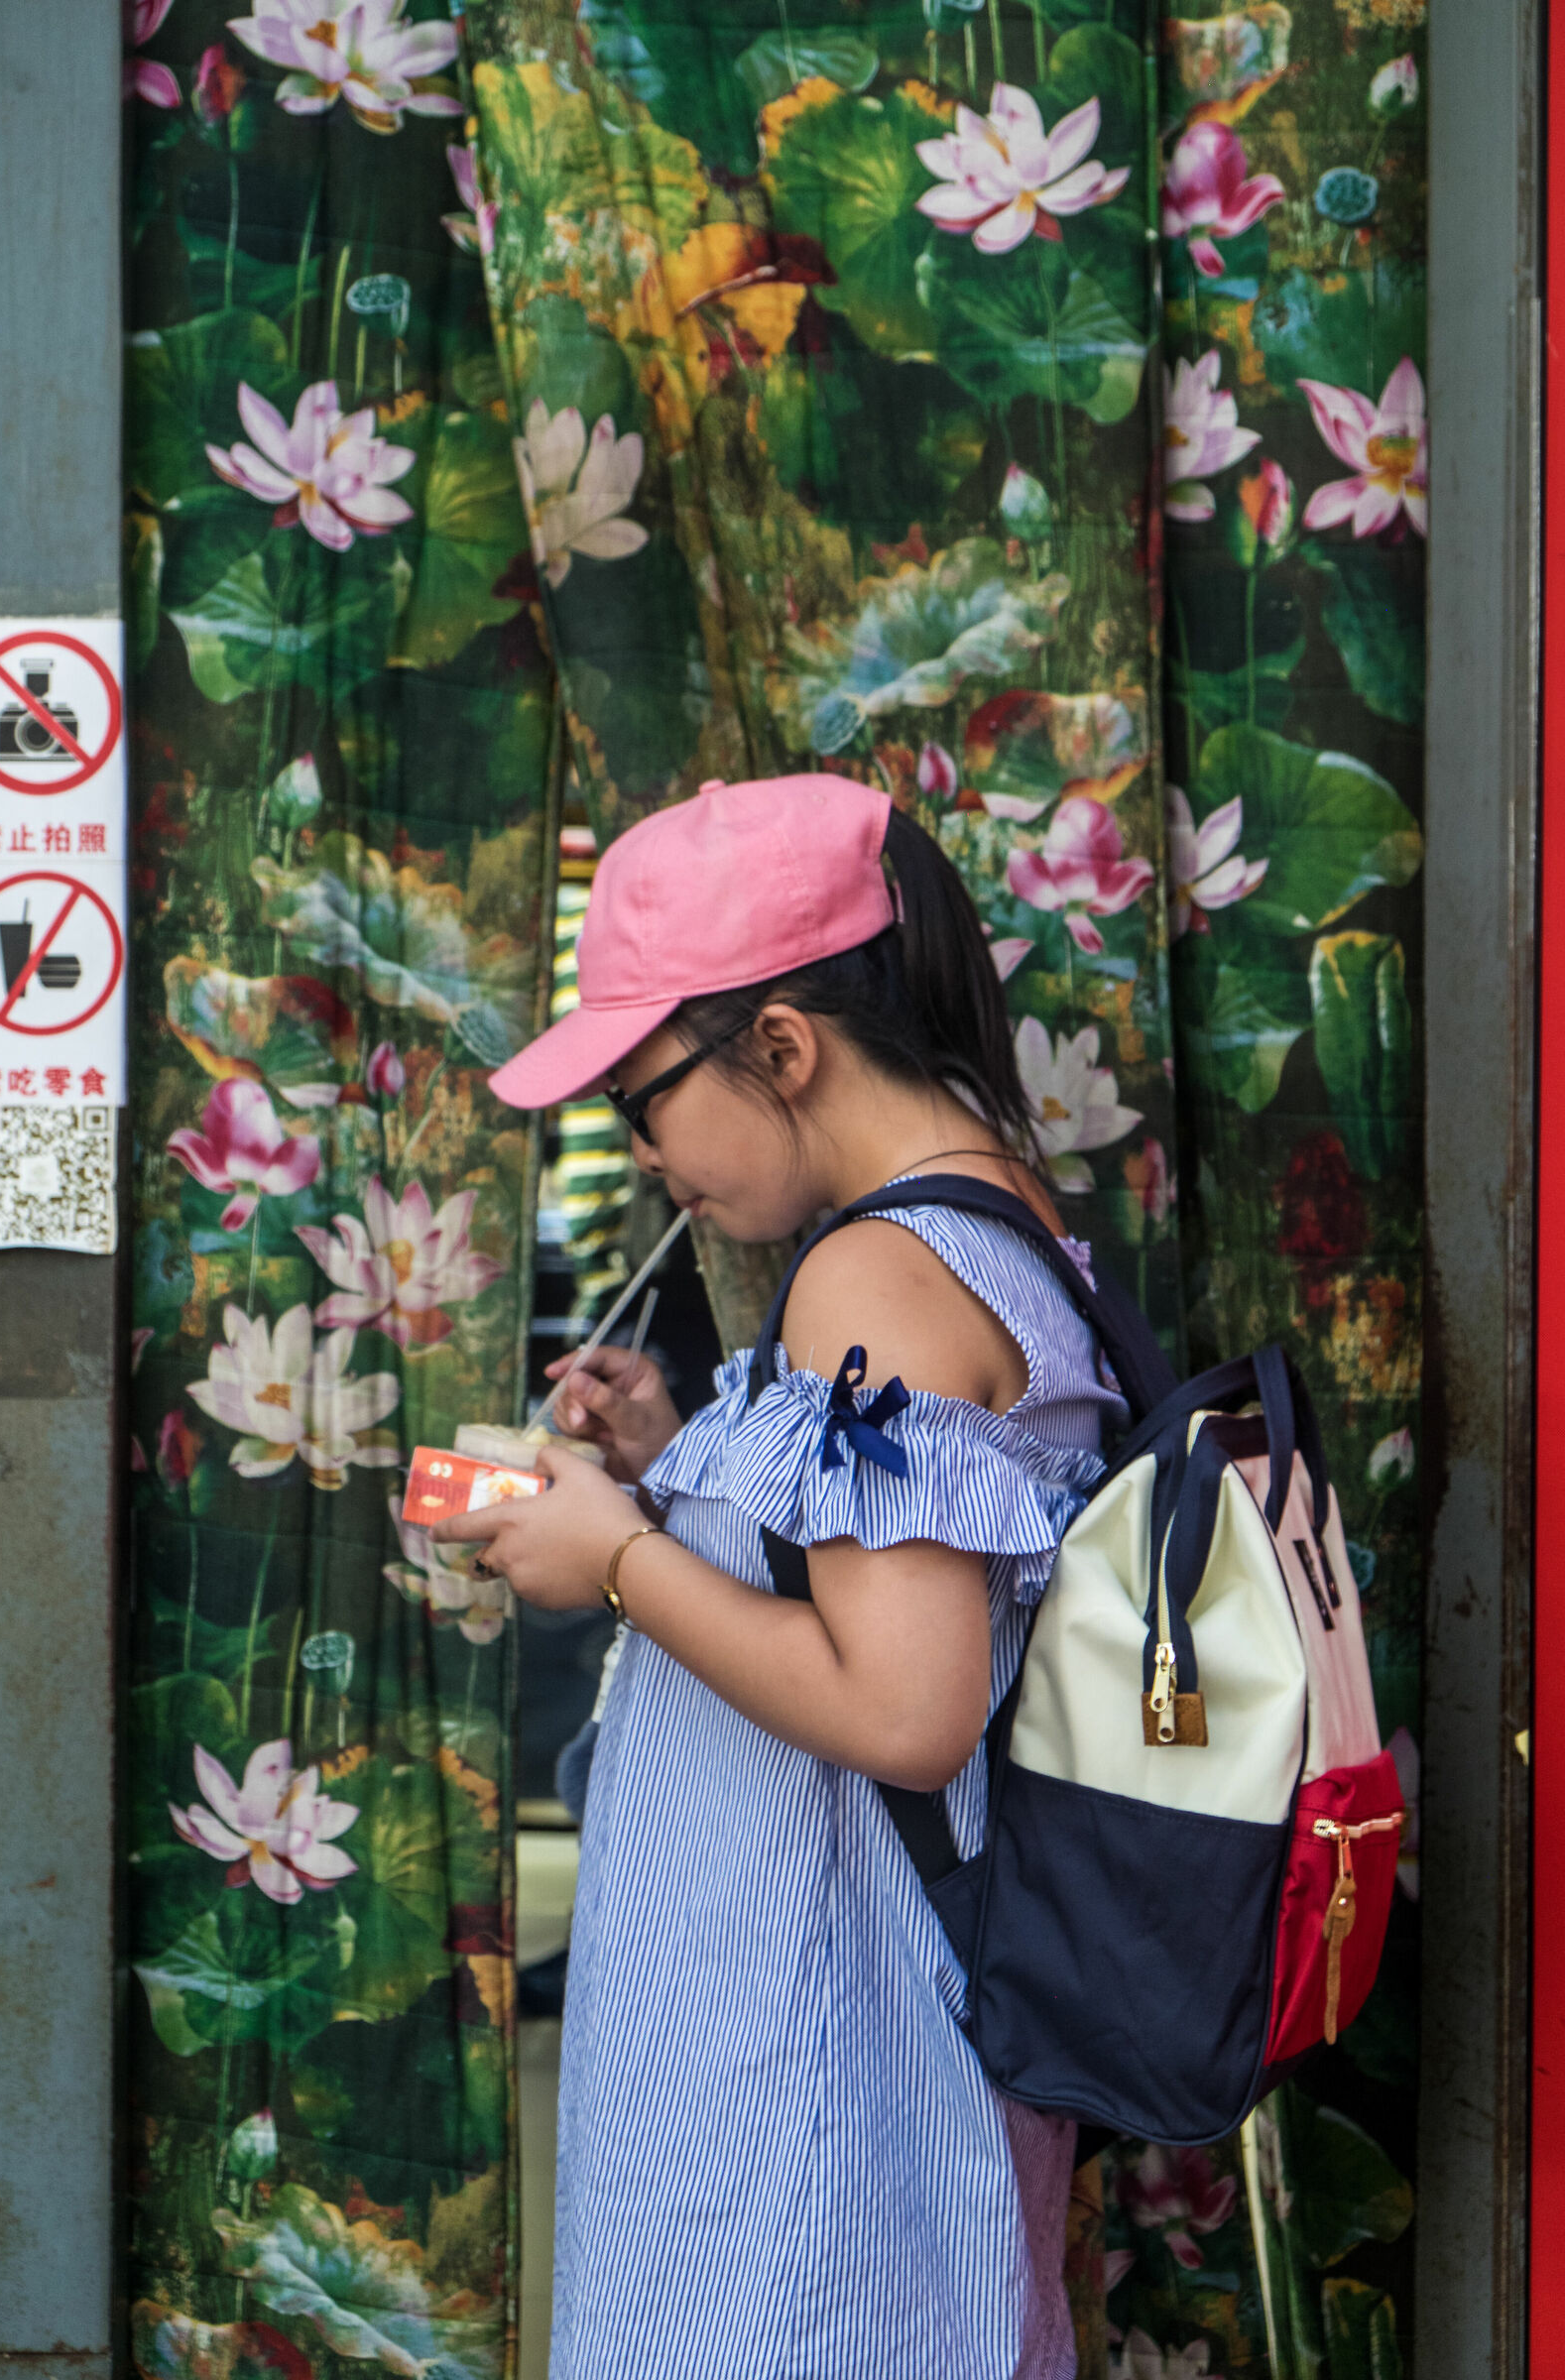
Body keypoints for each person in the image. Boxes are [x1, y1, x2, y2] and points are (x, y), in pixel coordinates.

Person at [434, 774, 1127, 2380]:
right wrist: (677, 1459)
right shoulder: (990, 1219)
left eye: (644, 1098)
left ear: (783, 1046)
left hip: (821, 2071)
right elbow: (887, 1580)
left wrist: (615, 1556)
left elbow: (904, 1708)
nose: (645, 1153)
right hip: (851, 2034)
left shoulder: (875, 1272)